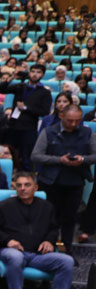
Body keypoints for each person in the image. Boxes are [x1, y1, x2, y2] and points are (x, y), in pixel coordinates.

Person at [0, 171, 73, 289]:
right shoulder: (3, 206)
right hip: (12, 251)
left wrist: (49, 241)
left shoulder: (46, 207)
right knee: (16, 257)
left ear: (35, 188)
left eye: (27, 185)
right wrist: (8, 240)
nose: (22, 188)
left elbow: (54, 228)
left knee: (67, 261)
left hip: (38, 254)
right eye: (19, 185)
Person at [31, 105, 95, 252]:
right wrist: (59, 160)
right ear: (61, 117)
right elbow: (35, 155)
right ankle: (46, 248)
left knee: (70, 219)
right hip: (51, 182)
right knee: (49, 217)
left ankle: (67, 249)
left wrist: (83, 159)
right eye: (70, 121)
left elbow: (94, 154)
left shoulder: (87, 132)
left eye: (77, 121)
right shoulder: (49, 132)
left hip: (75, 181)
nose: (73, 124)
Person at [0, 64, 52, 170]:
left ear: (43, 75)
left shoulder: (44, 92)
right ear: (29, 73)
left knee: (26, 158)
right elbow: (1, 89)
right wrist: (12, 76)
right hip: (12, 125)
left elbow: (45, 111)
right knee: (3, 152)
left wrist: (26, 108)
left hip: (28, 128)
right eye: (33, 71)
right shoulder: (21, 86)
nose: (35, 74)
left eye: (38, 72)